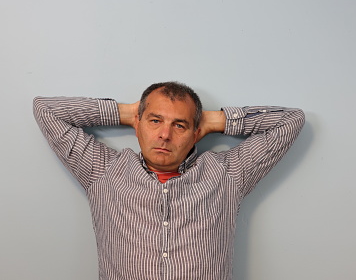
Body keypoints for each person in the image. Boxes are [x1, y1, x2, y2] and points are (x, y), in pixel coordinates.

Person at [33, 81, 305, 280]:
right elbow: (45, 110)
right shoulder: (103, 170)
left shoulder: (227, 174)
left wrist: (214, 120)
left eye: (179, 125)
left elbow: (291, 121)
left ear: (196, 133)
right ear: (138, 123)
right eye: (154, 121)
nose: (165, 134)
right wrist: (128, 113)